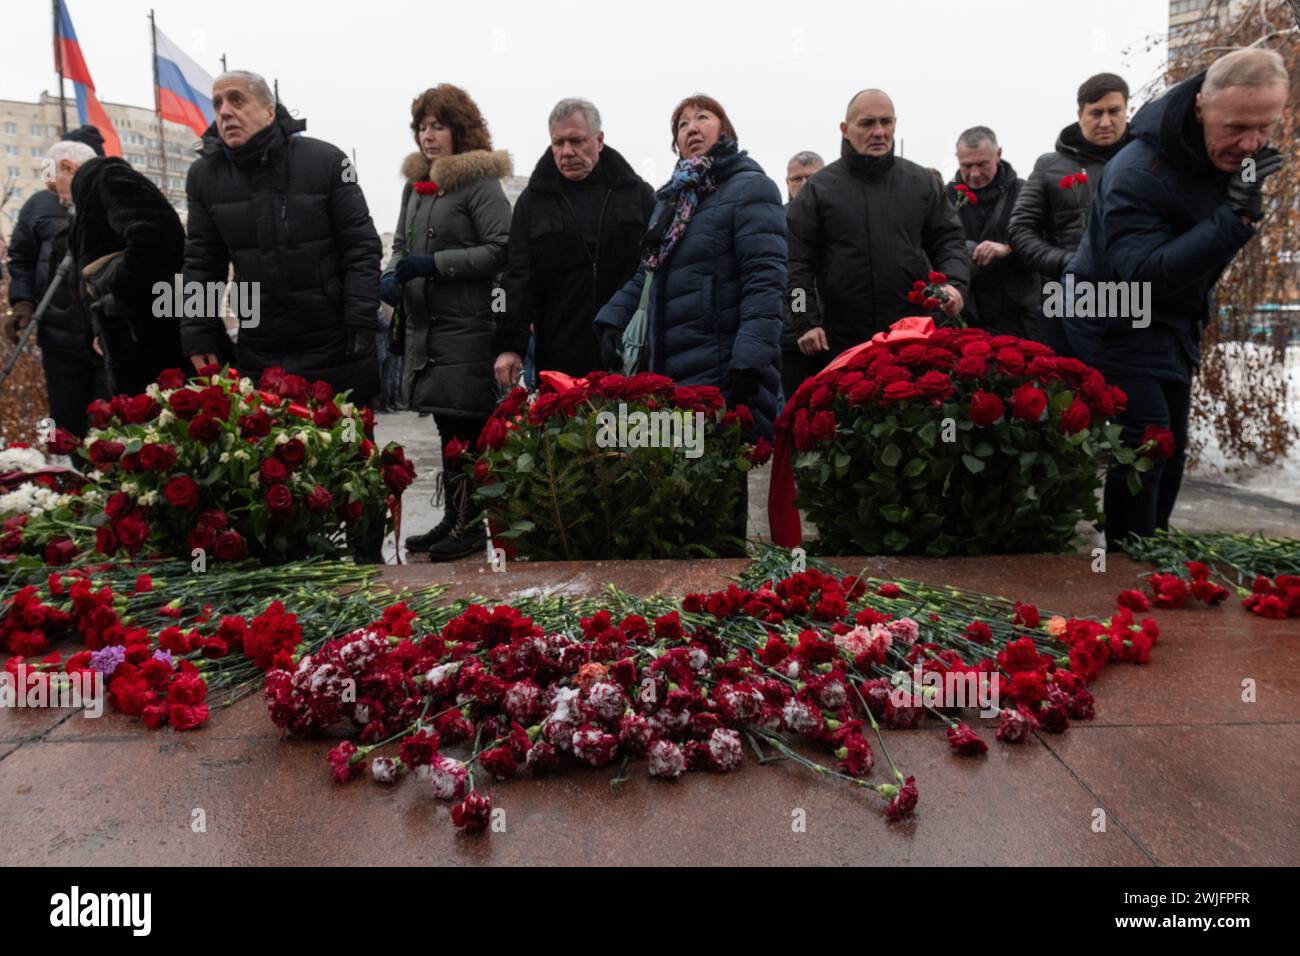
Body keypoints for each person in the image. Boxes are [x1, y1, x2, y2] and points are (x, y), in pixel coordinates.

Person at [1064, 49, 1288, 548]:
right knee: (1146, 441)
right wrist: (1234, 222)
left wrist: (1242, 199)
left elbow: (1219, 211)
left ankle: (1152, 547)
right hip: (1111, 311)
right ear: (1202, 106)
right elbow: (1143, 274)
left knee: (1172, 447)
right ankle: (1128, 558)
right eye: (1236, 128)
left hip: (1169, 320)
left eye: (1265, 128)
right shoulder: (1138, 172)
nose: (1250, 145)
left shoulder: (1230, 153)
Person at [182, 70, 382, 403]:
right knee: (273, 451)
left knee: (347, 447)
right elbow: (202, 262)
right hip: (260, 350)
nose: (225, 111)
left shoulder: (327, 161)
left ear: (269, 111)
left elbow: (361, 247)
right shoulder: (204, 176)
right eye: (217, 103)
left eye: (237, 99)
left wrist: (361, 319)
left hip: (334, 344)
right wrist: (198, 334)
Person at [595, 94, 786, 439]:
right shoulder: (670, 200)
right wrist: (612, 318)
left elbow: (765, 280)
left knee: (722, 484)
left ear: (725, 130)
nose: (692, 128)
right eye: (682, 125)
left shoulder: (751, 187)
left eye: (702, 118)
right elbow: (649, 272)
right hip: (668, 373)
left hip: (725, 370)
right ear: (677, 145)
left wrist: (750, 358)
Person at [383, 84, 512, 560]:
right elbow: (400, 246)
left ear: (460, 130)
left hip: (468, 325)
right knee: (445, 425)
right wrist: (392, 274)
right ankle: (453, 517)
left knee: (467, 427)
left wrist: (436, 265)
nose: (428, 136)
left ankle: (471, 523)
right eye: (422, 126)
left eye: (438, 126)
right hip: (425, 326)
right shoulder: (414, 187)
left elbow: (502, 248)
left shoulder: (479, 183)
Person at [786, 89, 969, 367]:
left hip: (913, 334)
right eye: (867, 123)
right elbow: (796, 264)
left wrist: (954, 285)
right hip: (843, 342)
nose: (880, 132)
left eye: (887, 122)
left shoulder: (921, 182)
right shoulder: (818, 190)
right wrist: (804, 320)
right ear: (845, 129)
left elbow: (949, 241)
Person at [496, 98, 654, 383]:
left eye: (577, 141)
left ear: (599, 140)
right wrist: (508, 345)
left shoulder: (637, 195)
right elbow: (512, 281)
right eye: (558, 143)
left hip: (627, 353)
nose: (566, 152)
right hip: (558, 360)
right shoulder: (532, 203)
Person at [48, 141, 186, 397]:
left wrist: (119, 297)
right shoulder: (90, 200)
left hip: (152, 339)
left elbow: (158, 234)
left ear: (67, 167)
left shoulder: (108, 178)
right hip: (133, 340)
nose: (59, 199)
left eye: (56, 188)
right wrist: (98, 329)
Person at [1008, 72, 1131, 351]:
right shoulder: (1050, 166)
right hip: (1064, 292)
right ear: (1080, 114)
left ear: (1127, 110)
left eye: (1114, 111)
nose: (1105, 121)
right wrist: (1067, 262)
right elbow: (1019, 229)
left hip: (1134, 293)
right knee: (1067, 383)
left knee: (1131, 380)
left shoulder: (1147, 159)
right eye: (1096, 113)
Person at [4, 127, 108, 436]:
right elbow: (21, 256)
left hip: (104, 335)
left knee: (108, 423)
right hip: (58, 334)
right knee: (67, 423)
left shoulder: (109, 200)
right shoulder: (38, 205)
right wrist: (21, 302)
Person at [947, 126, 1040, 339]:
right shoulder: (945, 199)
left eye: (982, 164)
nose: (975, 173)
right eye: (966, 166)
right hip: (966, 314)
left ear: (998, 154)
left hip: (1017, 314)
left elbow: (1043, 242)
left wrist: (1009, 248)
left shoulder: (1025, 193)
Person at [780, 150, 824, 402]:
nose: (805, 184)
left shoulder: (838, 217)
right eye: (797, 179)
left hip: (833, 330)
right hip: (790, 334)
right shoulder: (775, 221)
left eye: (811, 177)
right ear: (787, 182)